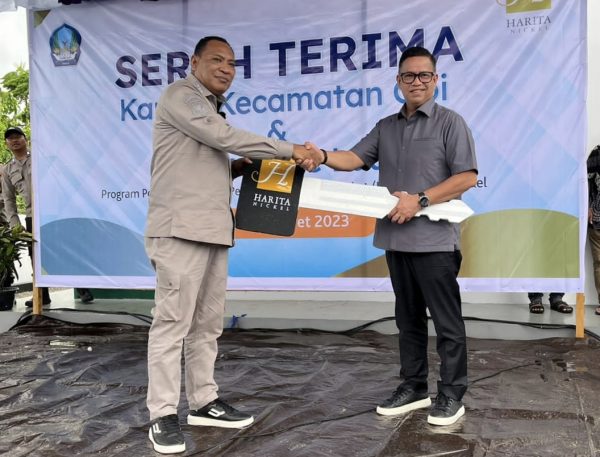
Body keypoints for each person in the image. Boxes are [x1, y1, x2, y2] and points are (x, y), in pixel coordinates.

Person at [144, 36, 321, 454]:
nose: (226, 68)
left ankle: (203, 401)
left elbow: (204, 163)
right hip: (179, 230)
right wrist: (290, 150)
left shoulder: (209, 106)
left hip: (213, 230)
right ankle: (162, 414)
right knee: (172, 324)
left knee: (207, 325)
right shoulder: (182, 95)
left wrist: (239, 168)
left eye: (232, 63)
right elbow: (222, 136)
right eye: (217, 60)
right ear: (195, 62)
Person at [306, 46, 477, 426]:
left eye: (424, 75)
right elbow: (354, 158)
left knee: (447, 323)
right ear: (398, 81)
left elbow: (466, 177)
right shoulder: (386, 126)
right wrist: (322, 156)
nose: (417, 82)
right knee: (408, 319)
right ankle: (414, 387)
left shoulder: (451, 123)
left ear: (435, 80)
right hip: (396, 241)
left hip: (435, 242)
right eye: (409, 76)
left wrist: (420, 200)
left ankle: (452, 394)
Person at [2, 126, 51, 307]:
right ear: (6, 144)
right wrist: (15, 222)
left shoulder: (40, 159)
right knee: (35, 255)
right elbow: (8, 198)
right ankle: (42, 295)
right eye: (10, 138)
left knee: (63, 248)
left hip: (51, 211)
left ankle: (83, 288)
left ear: (26, 139)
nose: (14, 140)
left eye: (18, 136)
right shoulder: (7, 169)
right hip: (31, 216)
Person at [587, 144, 600, 315]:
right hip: (597, 218)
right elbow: (585, 183)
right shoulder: (596, 155)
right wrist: (588, 207)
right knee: (599, 262)